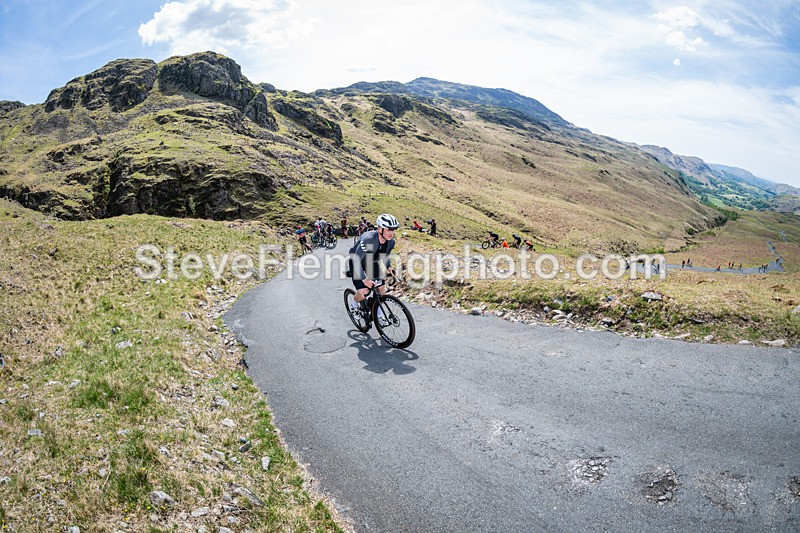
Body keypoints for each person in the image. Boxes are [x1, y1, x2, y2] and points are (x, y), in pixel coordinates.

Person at [348, 214, 399, 309]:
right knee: (364, 292)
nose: (391, 233)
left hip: (371, 262)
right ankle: (354, 304)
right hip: (357, 261)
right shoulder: (368, 240)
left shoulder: (391, 242)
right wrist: (364, 279)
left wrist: (388, 266)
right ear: (380, 229)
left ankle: (378, 315)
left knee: (381, 289)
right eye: (388, 229)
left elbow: (385, 255)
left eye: (393, 230)